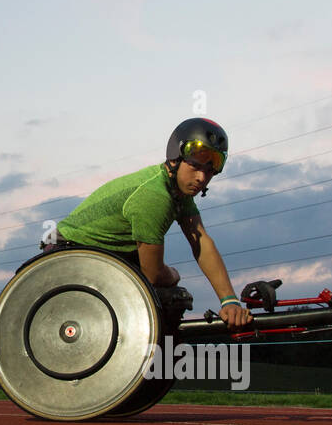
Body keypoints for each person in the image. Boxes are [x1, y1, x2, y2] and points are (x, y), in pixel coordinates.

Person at [40, 118, 253, 330]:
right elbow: (152, 275)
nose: (201, 178)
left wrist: (229, 301)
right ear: (176, 156)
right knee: (167, 298)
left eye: (209, 170)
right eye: (195, 165)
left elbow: (202, 242)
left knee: (174, 299)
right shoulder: (155, 196)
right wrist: (173, 274)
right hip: (70, 253)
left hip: (106, 254)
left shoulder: (178, 189)